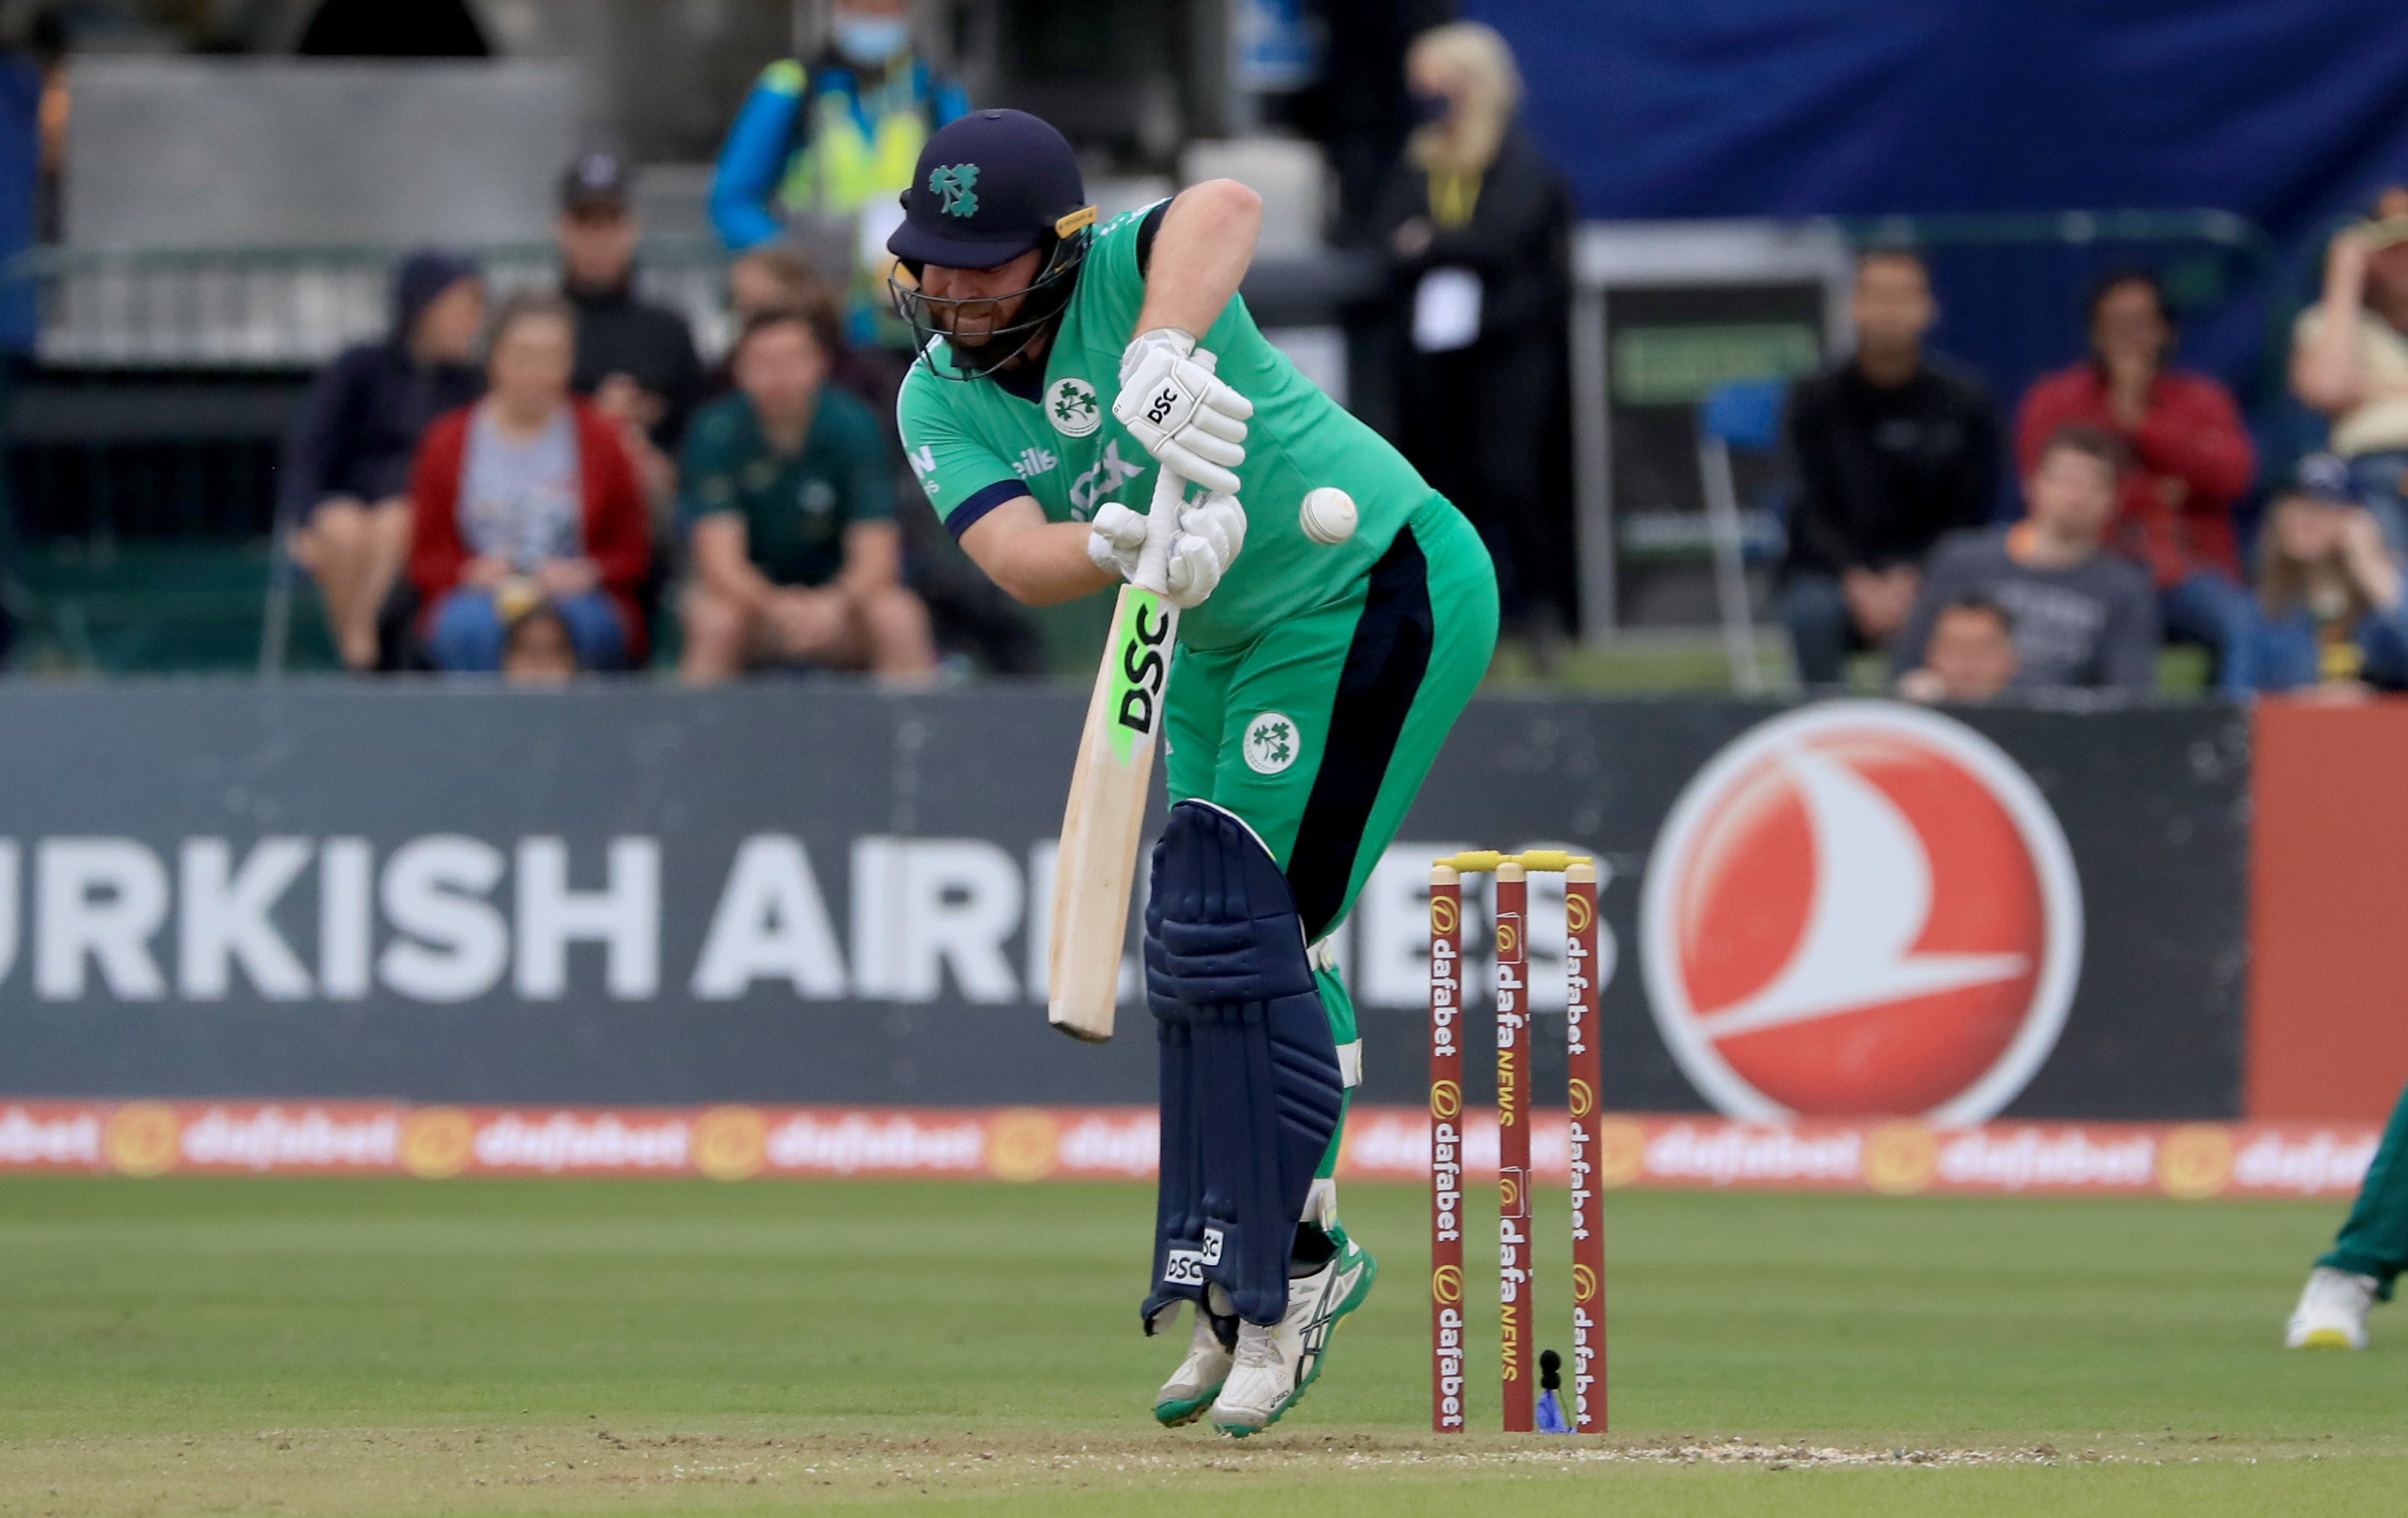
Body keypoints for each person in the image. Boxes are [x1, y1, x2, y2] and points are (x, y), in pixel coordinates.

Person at [889, 108, 1497, 1435]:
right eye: (930, 259)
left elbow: (1223, 200)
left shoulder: (1123, 270)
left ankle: (1290, 1274)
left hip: (1373, 582)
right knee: (1202, 942)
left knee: (1266, 925)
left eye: (978, 263)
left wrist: (1161, 349)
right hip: (1201, 618)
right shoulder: (934, 392)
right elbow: (1011, 554)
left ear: (1055, 251)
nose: (946, 287)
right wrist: (1113, 545)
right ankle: (1248, 1264)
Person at [1373, 21, 1575, 641]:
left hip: (1507, 349)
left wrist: (1433, 242)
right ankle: (1455, 613)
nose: (1426, 97)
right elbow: (1389, 236)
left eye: (1439, 83)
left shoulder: (1519, 161)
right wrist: (1443, 247)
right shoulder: (1418, 159)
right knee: (1440, 480)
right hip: (1434, 353)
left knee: (1509, 477)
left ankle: (1538, 609)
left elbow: (1506, 237)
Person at [2016, 269, 2258, 694]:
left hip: (2183, 571)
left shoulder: (2202, 398)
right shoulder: (2057, 398)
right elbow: (2041, 484)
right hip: (2086, 566)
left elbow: (2233, 477)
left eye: (2142, 323)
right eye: (2115, 324)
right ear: (2095, 332)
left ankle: (2236, 739)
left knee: (2244, 622)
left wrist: (2141, 421)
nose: (2129, 337)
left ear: (2166, 331)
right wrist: (2165, 484)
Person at [1780, 248, 2002, 687]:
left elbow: (1971, 510)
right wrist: (1856, 578)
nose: (1889, 311)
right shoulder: (1812, 400)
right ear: (1853, 305)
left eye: (1903, 296)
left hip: (1937, 573)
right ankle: (1827, 724)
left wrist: (1916, 576)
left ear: (1930, 307)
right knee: (1810, 611)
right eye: (1877, 295)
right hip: (1835, 575)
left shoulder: (1967, 401)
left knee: (1958, 613)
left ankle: (1925, 728)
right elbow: (1806, 507)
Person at [679, 307, 934, 682]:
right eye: (764, 361)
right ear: (740, 370)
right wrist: (778, 605)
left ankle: (918, 736)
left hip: (839, 608)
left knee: (899, 616)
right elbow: (720, 563)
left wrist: (831, 605)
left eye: (793, 359)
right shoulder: (715, 430)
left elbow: (877, 554)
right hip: (755, 608)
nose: (779, 374)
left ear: (820, 364)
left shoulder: (854, 424)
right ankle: (693, 739)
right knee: (714, 621)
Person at [408, 291, 651, 673]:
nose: (536, 371)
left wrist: (588, 573)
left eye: (552, 356)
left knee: (583, 630)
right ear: (494, 356)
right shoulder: (447, 441)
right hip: (481, 597)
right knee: (468, 629)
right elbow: (425, 555)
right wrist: (468, 572)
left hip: (575, 595)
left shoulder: (602, 437)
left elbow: (631, 551)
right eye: (522, 354)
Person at [710, 0, 969, 351]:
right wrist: (790, 267)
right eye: (861, 7)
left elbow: (973, 192)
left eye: (885, 8)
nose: (873, 16)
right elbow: (733, 200)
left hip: (917, 320)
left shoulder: (936, 90)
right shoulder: (792, 86)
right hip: (819, 324)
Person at [279, 248, 484, 670]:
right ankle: (361, 649)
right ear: (425, 309)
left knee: (398, 519)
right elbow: (311, 447)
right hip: (350, 508)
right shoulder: (360, 366)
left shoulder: (472, 384)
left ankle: (359, 650)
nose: (473, 321)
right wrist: (299, 520)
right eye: (462, 308)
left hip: (420, 517)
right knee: (343, 527)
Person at [1890, 426, 2159, 697]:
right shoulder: (1961, 560)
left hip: (2061, 727)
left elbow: (2130, 694)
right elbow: (1907, 663)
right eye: (2065, 480)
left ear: (2113, 500)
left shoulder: (2125, 588)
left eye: (2093, 485)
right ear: (2032, 484)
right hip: (1963, 719)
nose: (2076, 497)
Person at [557, 152, 705, 459]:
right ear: (562, 230)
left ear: (632, 229)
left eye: (610, 222)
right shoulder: (535, 328)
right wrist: (594, 416)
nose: (598, 238)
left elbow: (696, 434)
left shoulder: (669, 331)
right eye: (586, 222)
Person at [2292, 188, 2408, 553]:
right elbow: (2326, 387)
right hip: (2374, 475)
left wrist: (2370, 389)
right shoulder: (2330, 322)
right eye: (2393, 246)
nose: (2404, 258)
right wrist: (2343, 279)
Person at [2249, 453, 2408, 696]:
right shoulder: (2262, 612)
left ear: (2354, 518)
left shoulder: (2383, 602)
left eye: (2320, 506)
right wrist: (2304, 702)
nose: (2302, 517)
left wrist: (2371, 569)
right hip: (2294, 732)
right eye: (2294, 503)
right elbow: (2235, 708)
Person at [1896, 595, 2019, 703]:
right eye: (1955, 648)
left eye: (1984, 649)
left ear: (2012, 658)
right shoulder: (1903, 718)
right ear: (1930, 654)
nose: (1969, 660)